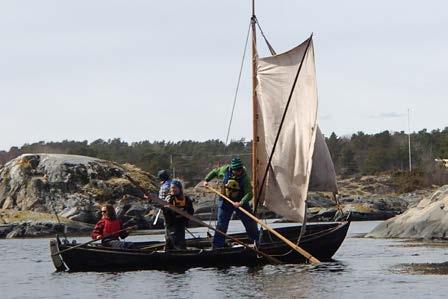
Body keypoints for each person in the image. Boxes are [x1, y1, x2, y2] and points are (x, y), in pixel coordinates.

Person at [203, 157, 259, 249]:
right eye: (236, 170)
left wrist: (241, 202)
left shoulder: (245, 178)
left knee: (250, 222)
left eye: (240, 169)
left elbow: (249, 194)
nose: (239, 171)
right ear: (232, 169)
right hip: (225, 201)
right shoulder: (225, 170)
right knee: (222, 224)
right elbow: (215, 172)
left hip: (240, 202)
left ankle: (256, 241)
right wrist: (206, 180)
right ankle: (217, 245)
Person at [162, 179, 194, 250]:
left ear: (179, 188)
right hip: (171, 225)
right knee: (170, 242)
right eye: (172, 188)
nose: (173, 190)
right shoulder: (169, 199)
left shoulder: (186, 199)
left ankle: (181, 252)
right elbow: (165, 212)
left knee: (180, 242)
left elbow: (191, 211)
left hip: (181, 224)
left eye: (175, 188)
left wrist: (185, 215)